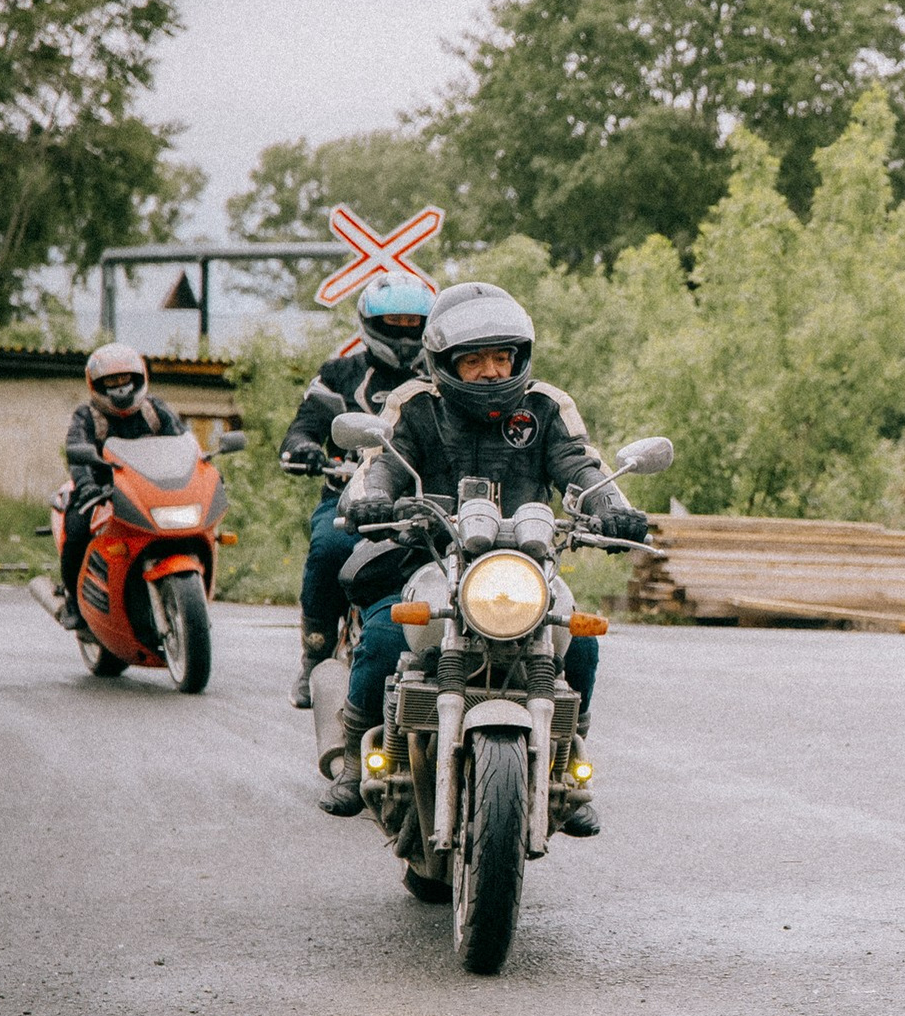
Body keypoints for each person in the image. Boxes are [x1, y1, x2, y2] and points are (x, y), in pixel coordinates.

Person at [319, 282, 651, 829]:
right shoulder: (416, 405)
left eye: (502, 358)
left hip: (523, 568)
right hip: (429, 559)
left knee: (581, 643)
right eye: (474, 361)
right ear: (445, 363)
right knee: (382, 636)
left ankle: (565, 762)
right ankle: (356, 760)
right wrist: (373, 499)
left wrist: (614, 508)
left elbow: (579, 465)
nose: (492, 372)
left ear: (520, 357)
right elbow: (382, 462)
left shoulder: (546, 406)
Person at [278, 274, 435, 707]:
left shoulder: (441, 378)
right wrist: (305, 448)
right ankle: (315, 654)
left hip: (423, 501)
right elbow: (303, 427)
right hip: (347, 499)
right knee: (329, 547)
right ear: (370, 324)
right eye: (394, 323)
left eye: (414, 324)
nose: (404, 335)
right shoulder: (338, 375)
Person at [55, 344, 188, 630]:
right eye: (111, 380)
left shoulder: (155, 410)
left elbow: (183, 443)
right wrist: (87, 486)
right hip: (103, 490)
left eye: (124, 378)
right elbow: (77, 453)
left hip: (152, 489)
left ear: (138, 378)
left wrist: (200, 473)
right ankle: (73, 600)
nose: (119, 386)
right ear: (97, 384)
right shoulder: (86, 416)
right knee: (76, 529)